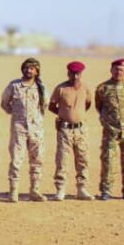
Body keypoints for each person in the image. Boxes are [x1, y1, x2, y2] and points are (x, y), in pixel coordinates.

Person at [0, 58, 48, 202]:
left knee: (37, 159)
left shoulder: (41, 87)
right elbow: (4, 103)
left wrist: (36, 119)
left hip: (36, 128)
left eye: (32, 68)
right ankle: (13, 191)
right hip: (19, 127)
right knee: (16, 159)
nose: (29, 71)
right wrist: (16, 115)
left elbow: (44, 105)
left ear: (37, 71)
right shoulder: (14, 86)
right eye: (26, 68)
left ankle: (35, 190)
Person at [49, 61, 94, 201]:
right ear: (68, 73)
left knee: (82, 159)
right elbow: (51, 106)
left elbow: (87, 104)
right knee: (62, 159)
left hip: (80, 130)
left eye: (78, 73)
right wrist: (63, 114)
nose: (75, 76)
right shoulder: (61, 88)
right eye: (72, 73)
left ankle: (82, 189)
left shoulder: (85, 88)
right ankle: (60, 189)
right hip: (65, 130)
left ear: (81, 74)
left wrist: (77, 115)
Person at [94, 58, 124, 200]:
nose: (119, 72)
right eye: (116, 69)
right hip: (110, 131)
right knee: (108, 161)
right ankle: (106, 190)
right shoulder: (103, 88)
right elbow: (99, 106)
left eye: (122, 69)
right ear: (111, 70)